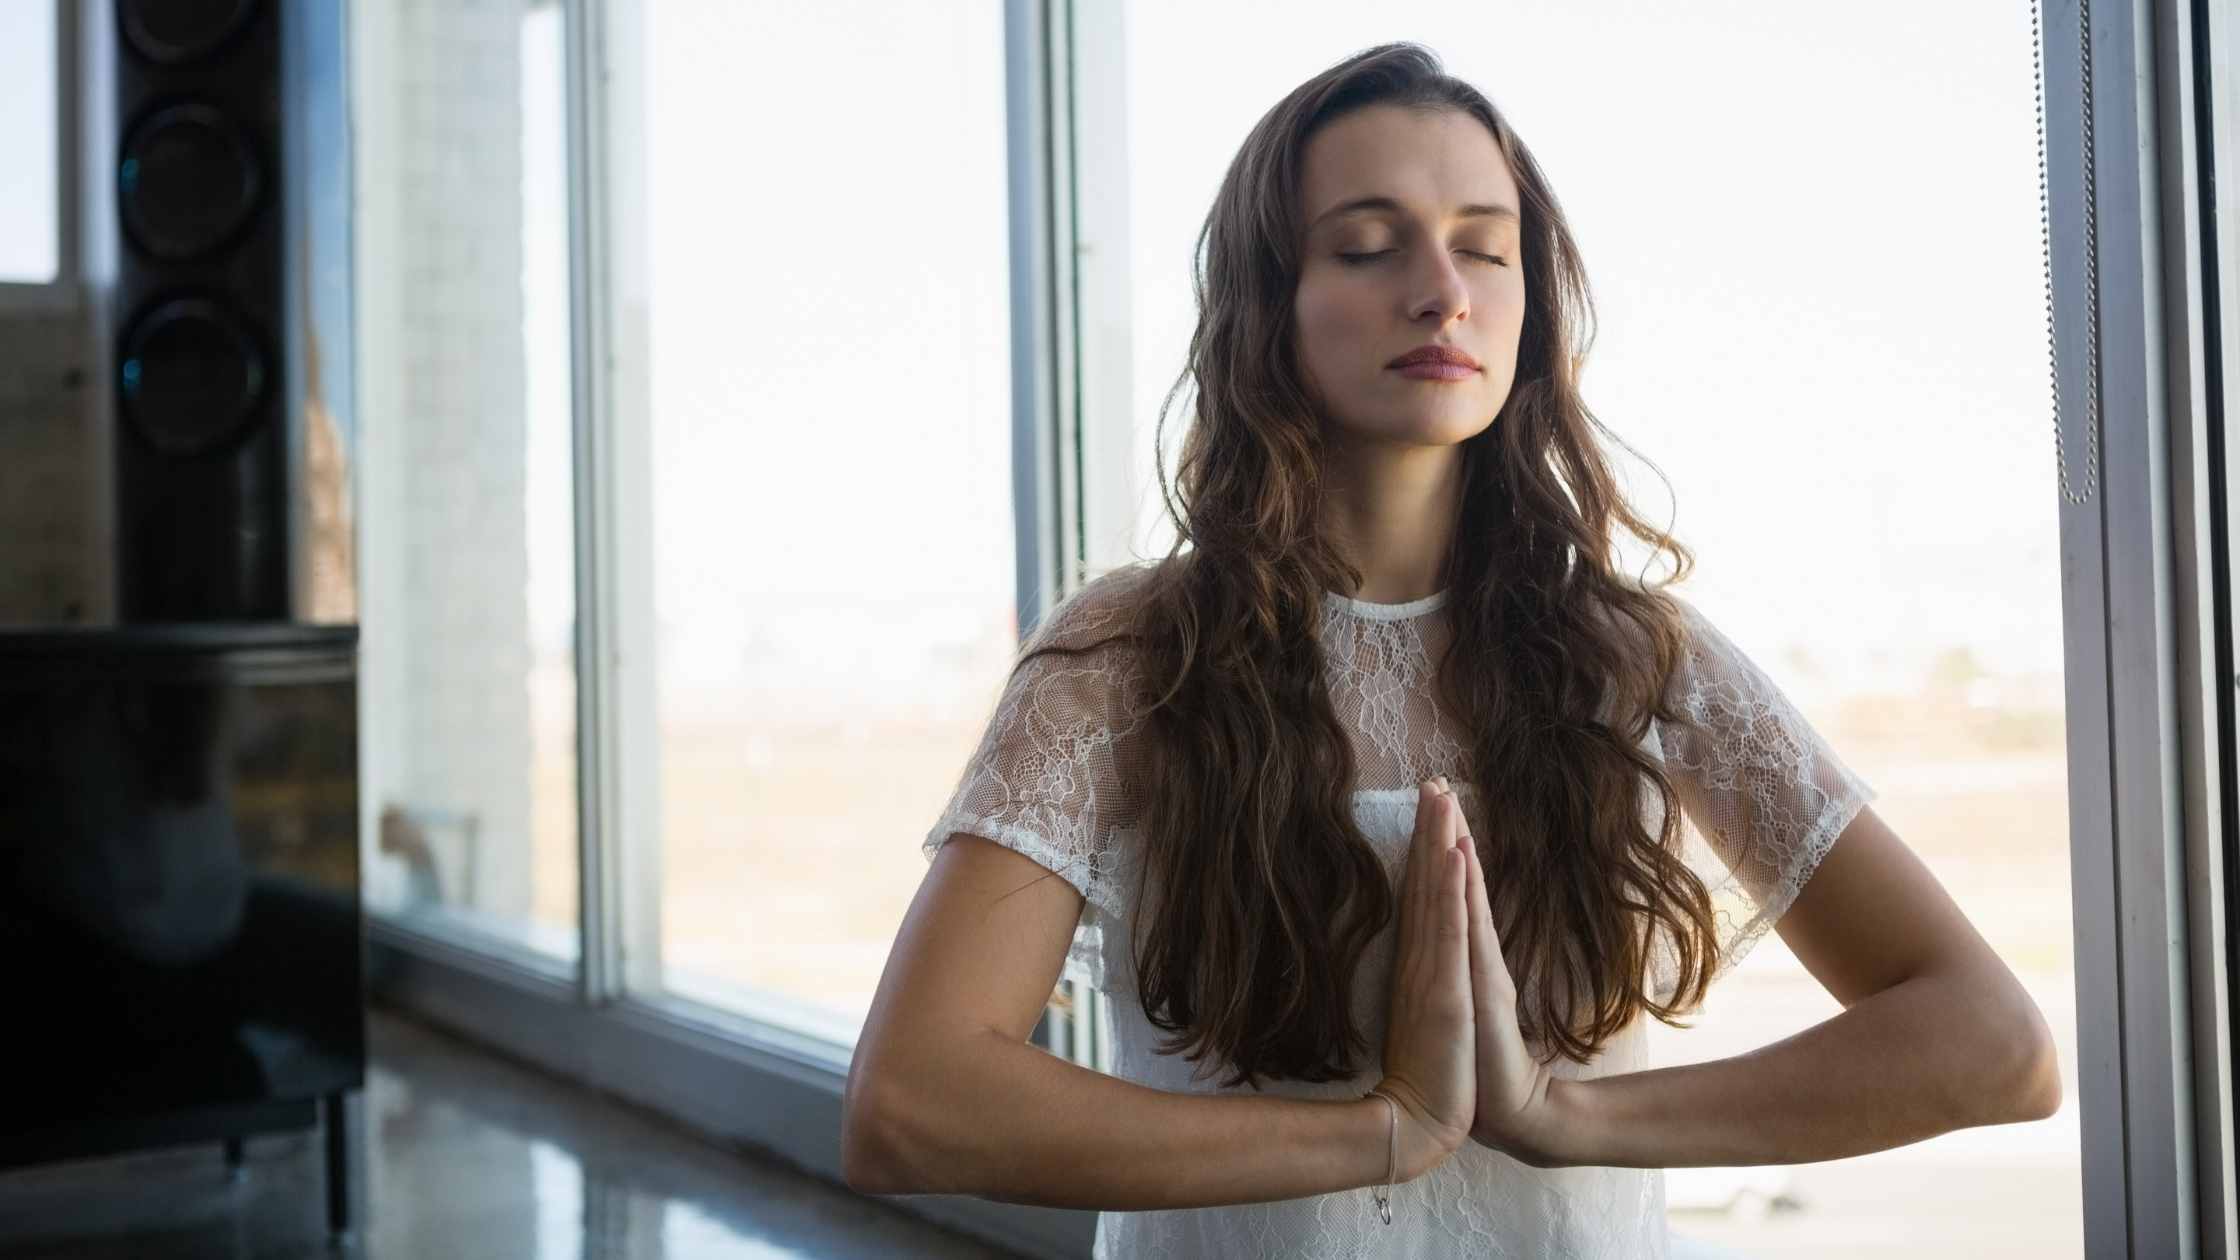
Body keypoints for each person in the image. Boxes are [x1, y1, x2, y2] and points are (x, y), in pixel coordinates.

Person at [842, 40, 2063, 1259]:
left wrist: (1557, 1119)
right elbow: (912, 1107)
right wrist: (1390, 1128)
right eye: (1368, 246)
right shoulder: (1129, 658)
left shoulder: (1634, 660)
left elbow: (1992, 1048)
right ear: (1265, 304)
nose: (1441, 291)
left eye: (1483, 245)